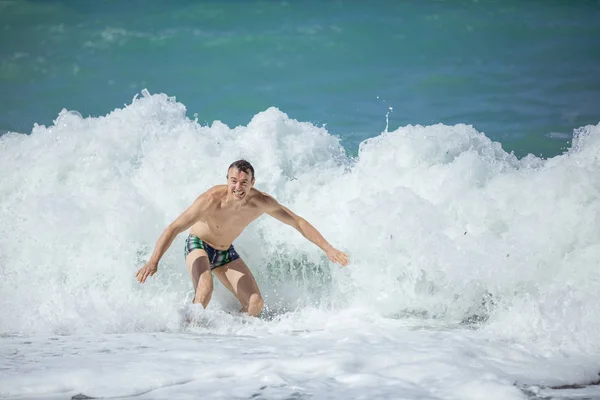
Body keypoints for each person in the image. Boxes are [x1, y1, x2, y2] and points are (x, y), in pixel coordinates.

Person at [136, 159, 349, 317]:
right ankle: (190, 336)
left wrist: (327, 248)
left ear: (252, 182)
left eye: (244, 182)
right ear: (227, 180)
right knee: (205, 289)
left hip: (225, 252)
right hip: (199, 245)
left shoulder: (261, 202)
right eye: (233, 181)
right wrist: (153, 261)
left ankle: (234, 339)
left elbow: (297, 221)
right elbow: (174, 228)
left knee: (255, 304)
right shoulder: (209, 201)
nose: (238, 187)